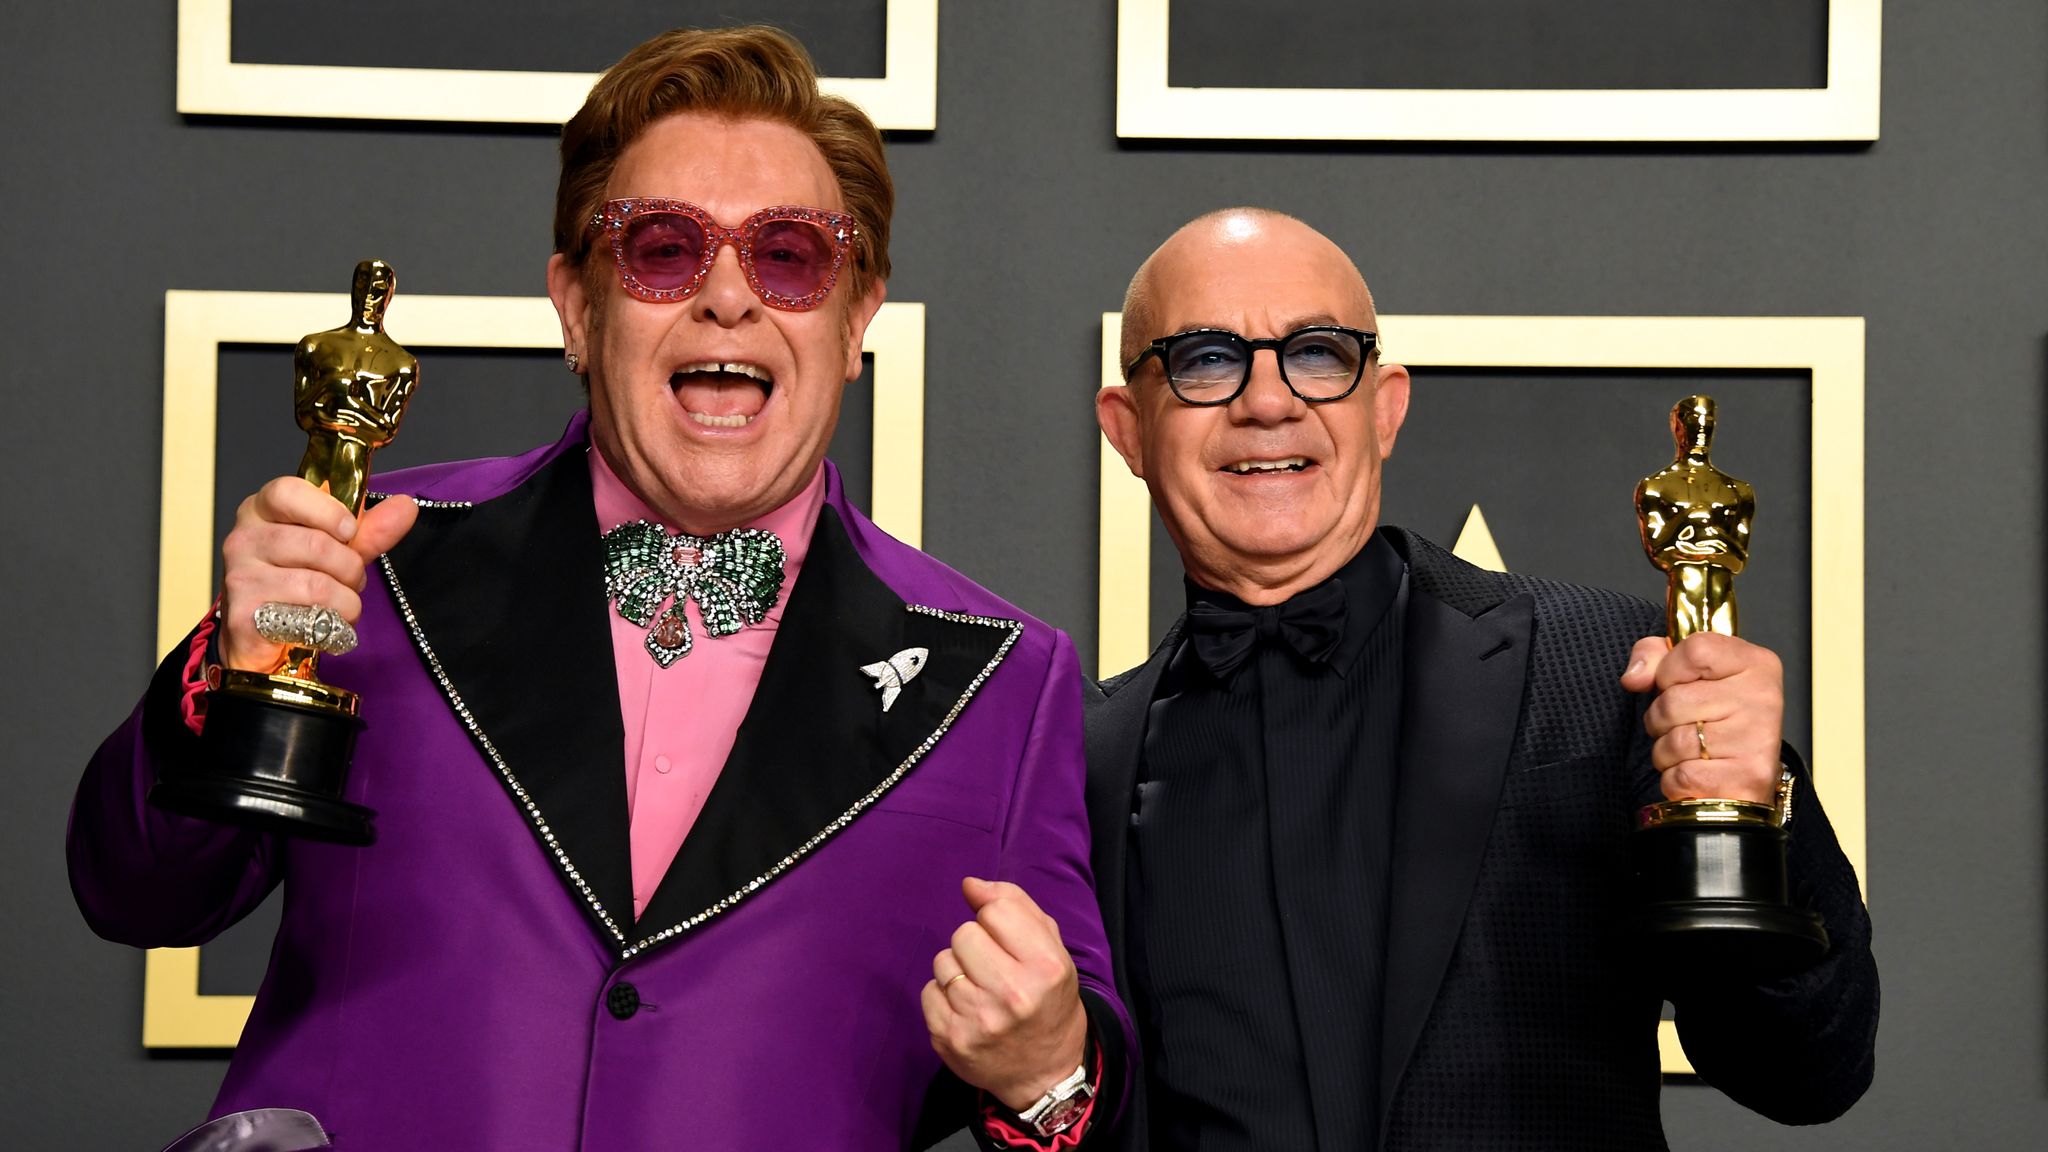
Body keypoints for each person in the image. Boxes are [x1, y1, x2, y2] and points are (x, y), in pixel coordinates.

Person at [70, 27, 1128, 1151]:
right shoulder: (374, 561)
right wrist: (228, 669)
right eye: (664, 249)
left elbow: (1077, 1089)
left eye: (789, 256)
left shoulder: (999, 682)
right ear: (576, 308)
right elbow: (134, 892)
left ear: (855, 317)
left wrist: (1048, 1068)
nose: (728, 297)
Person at [1086, 207, 1876, 1150]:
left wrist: (1754, 809)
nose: (1269, 400)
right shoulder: (1081, 755)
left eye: (1319, 353)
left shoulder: (1608, 667)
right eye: (1207, 359)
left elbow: (1809, 1068)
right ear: (1129, 429)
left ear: (1384, 409)